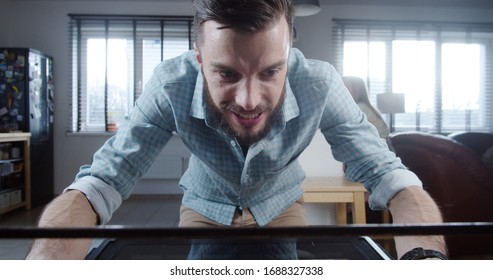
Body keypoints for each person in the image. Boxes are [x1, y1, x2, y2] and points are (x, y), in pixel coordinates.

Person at [27, 0, 446, 260]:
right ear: (198, 60)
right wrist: (44, 264)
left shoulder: (319, 82)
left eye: (270, 71)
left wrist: (427, 261)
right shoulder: (169, 84)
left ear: (288, 55)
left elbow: (387, 175)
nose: (248, 100)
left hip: (282, 208)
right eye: (226, 72)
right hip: (204, 209)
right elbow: (104, 179)